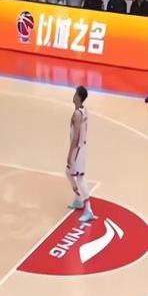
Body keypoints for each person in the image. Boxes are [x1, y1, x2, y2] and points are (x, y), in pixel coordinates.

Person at [66, 86, 94, 223]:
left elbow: (76, 136)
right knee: (68, 172)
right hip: (81, 147)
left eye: (75, 93)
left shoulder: (77, 114)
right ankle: (78, 198)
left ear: (78, 97)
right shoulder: (84, 110)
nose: (73, 95)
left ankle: (88, 210)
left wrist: (70, 153)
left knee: (80, 179)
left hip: (77, 149)